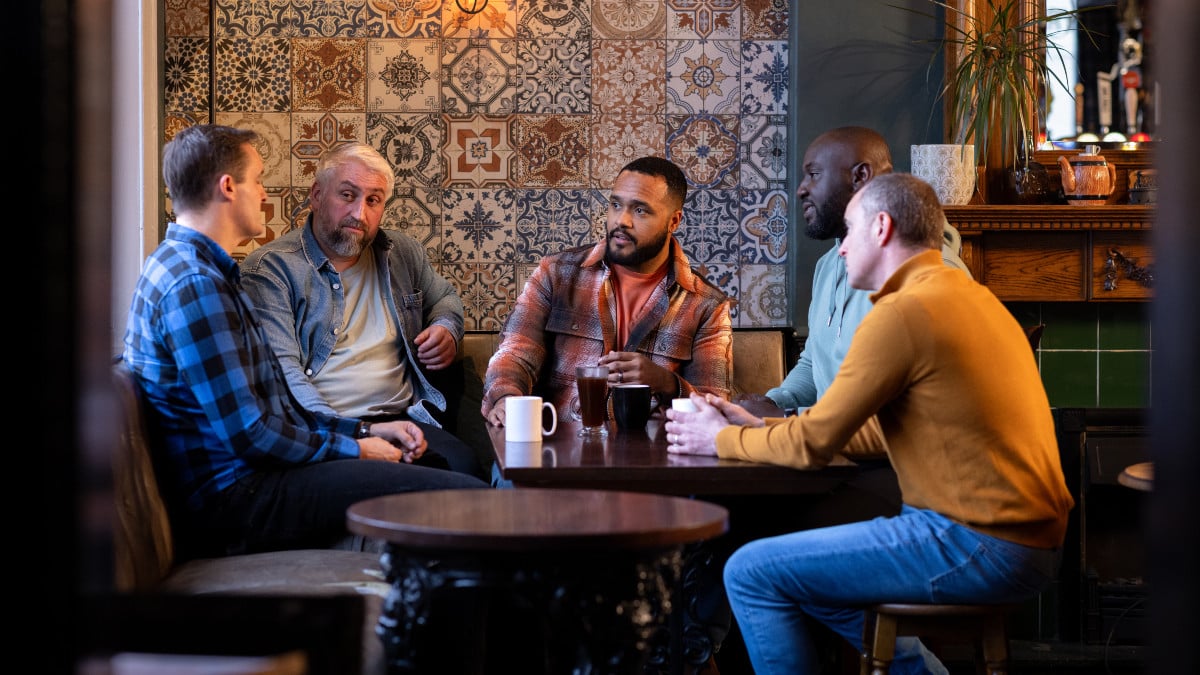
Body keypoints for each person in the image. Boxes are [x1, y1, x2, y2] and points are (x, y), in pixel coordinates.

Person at [665, 173, 1074, 674]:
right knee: (802, 574)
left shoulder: (903, 312)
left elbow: (815, 446)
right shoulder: (965, 295)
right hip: (1029, 541)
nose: (840, 250)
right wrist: (755, 428)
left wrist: (721, 439)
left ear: (882, 228)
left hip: (978, 543)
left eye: (850, 231)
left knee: (751, 571)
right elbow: (878, 430)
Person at [122, 125, 487, 561]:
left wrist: (366, 430)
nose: (263, 194)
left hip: (257, 478)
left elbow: (270, 409)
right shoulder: (197, 283)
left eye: (373, 200)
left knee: (462, 479)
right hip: (239, 501)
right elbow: (253, 434)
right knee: (470, 502)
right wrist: (356, 447)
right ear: (227, 187)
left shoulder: (190, 267)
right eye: (257, 180)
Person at [241, 141, 488, 481]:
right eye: (347, 195)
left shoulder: (401, 252)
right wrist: (355, 434)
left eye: (373, 200)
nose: (360, 213)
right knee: (442, 489)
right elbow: (283, 372)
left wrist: (446, 326)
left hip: (406, 418)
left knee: (468, 469)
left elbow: (445, 297)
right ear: (316, 195)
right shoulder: (271, 270)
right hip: (327, 427)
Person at [737, 126, 971, 421]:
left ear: (860, 176)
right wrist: (770, 405)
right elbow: (814, 364)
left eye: (814, 174)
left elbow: (894, 422)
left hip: (881, 461)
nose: (801, 189)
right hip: (834, 449)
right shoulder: (828, 265)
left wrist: (784, 418)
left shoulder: (932, 282)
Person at [482, 155, 733, 426]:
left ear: (673, 222)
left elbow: (714, 408)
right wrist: (505, 397)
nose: (621, 220)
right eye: (616, 205)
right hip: (557, 444)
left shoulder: (706, 304)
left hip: (651, 458)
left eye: (640, 210)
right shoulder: (557, 273)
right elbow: (516, 350)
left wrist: (666, 383)